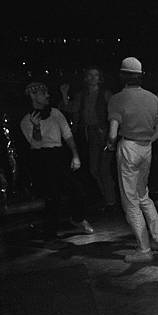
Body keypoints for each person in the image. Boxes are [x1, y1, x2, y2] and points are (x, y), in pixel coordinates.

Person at [106, 57, 158, 263]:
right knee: (143, 195)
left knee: (130, 201)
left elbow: (113, 131)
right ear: (140, 76)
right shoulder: (152, 98)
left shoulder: (117, 99)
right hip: (146, 147)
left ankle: (144, 250)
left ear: (123, 75)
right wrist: (148, 140)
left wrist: (111, 144)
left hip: (129, 147)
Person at [20, 82, 94, 238]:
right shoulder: (26, 120)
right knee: (52, 196)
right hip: (41, 158)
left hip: (58, 154)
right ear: (33, 96)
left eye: (47, 92)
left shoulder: (55, 113)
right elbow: (36, 143)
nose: (47, 95)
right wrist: (37, 127)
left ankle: (78, 219)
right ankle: (50, 232)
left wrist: (75, 155)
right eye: (42, 93)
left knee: (78, 190)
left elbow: (67, 135)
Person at [60, 66, 116, 211]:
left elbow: (114, 112)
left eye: (95, 75)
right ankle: (106, 197)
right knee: (93, 169)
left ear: (100, 78)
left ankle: (110, 200)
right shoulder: (82, 95)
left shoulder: (105, 94)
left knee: (103, 168)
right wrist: (64, 93)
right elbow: (70, 108)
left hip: (104, 132)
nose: (92, 78)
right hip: (90, 133)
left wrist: (112, 133)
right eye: (90, 75)